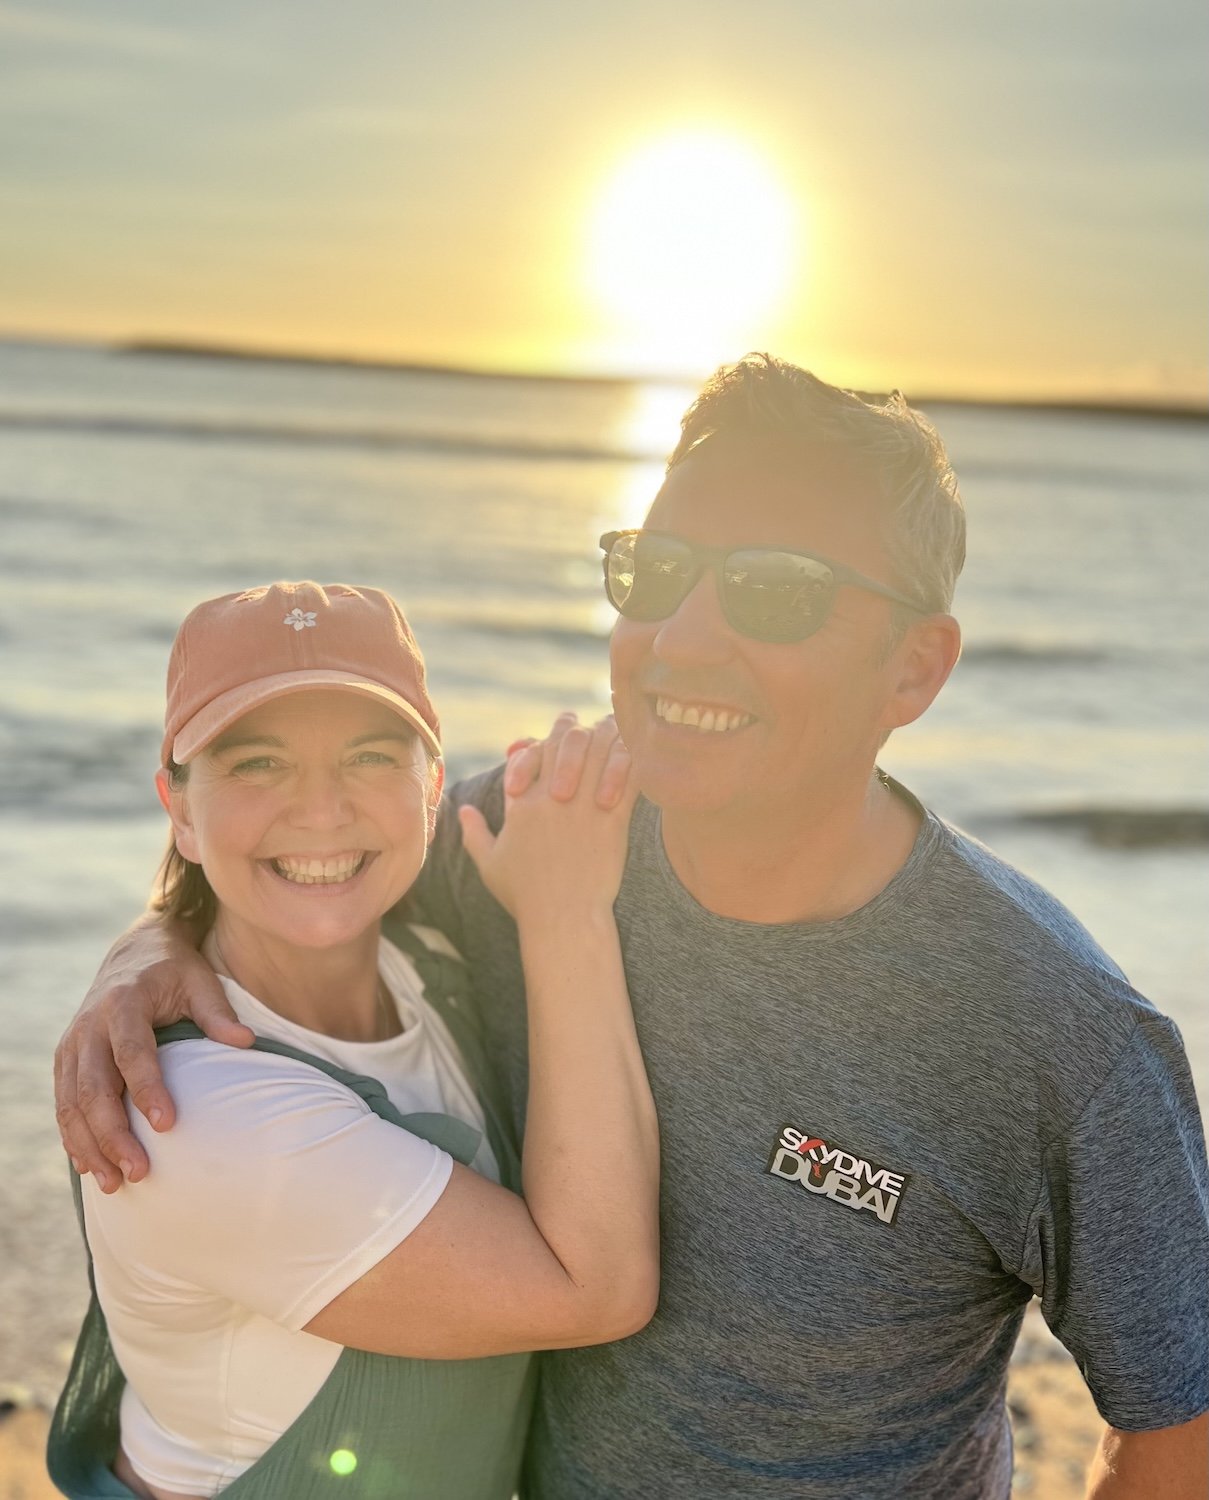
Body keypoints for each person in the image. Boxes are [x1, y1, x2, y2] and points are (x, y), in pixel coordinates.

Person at [57, 357, 1208, 1498]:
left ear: (914, 667)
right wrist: (153, 947)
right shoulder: (536, 831)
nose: (683, 639)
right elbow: (301, 860)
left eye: (776, 590)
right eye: (655, 573)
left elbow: (1182, 1430)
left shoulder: (1060, 1038)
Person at [48, 580, 658, 1500]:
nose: (323, 810)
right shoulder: (198, 1118)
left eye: (372, 755)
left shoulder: (427, 963)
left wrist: (149, 939)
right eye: (257, 764)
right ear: (177, 804)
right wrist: (565, 913)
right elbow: (596, 1288)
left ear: (432, 786)